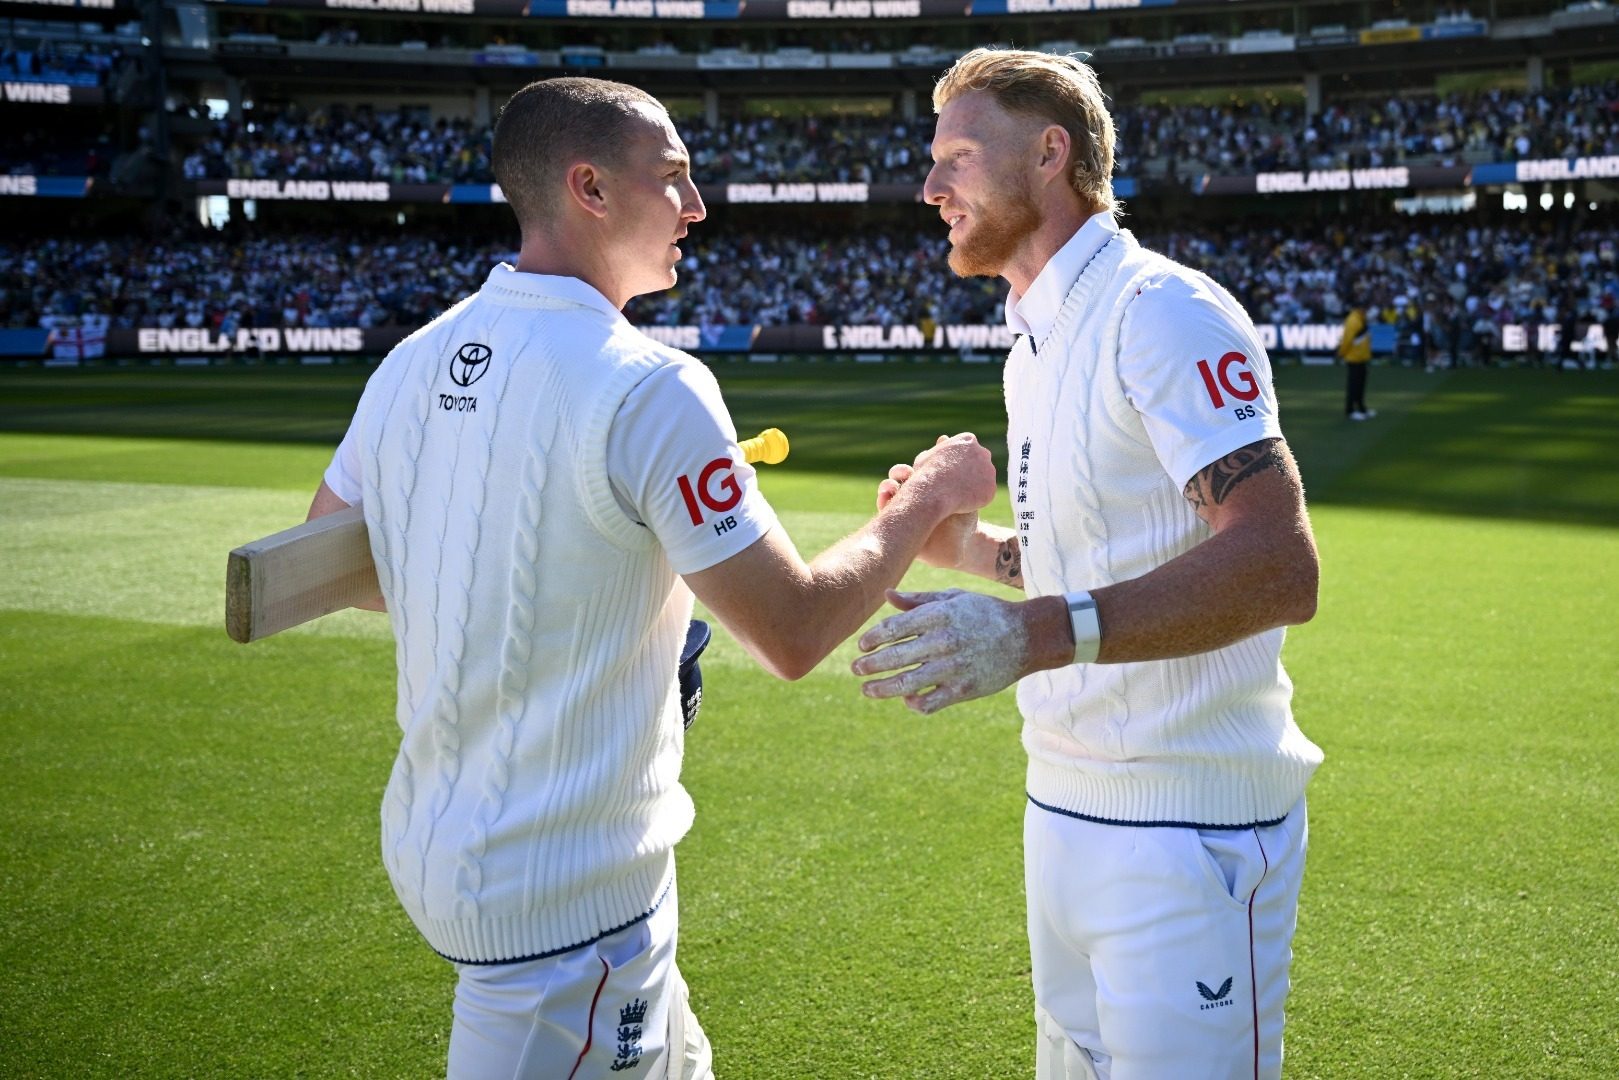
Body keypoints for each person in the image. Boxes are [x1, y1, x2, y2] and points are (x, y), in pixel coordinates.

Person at [305, 76, 996, 1079]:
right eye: (672, 176)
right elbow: (793, 629)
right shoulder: (651, 384)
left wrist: (586, 587)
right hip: (564, 904)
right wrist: (926, 498)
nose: (696, 206)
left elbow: (344, 560)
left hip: (456, 850)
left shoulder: (414, 360)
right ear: (588, 188)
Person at [849, 48, 1323, 1080]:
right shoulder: (1033, 337)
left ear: (1048, 153)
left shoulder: (1160, 310)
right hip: (1061, 807)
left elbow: (1276, 564)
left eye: (957, 157)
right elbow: (1117, 550)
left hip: (1188, 826)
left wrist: (1028, 636)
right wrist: (969, 551)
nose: (928, 189)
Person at [1337, 297, 1374, 419]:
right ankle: (1350, 410)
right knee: (1353, 385)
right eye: (1364, 307)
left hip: (1361, 357)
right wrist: (1341, 354)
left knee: (1360, 385)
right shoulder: (1353, 320)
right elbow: (1347, 340)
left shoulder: (1361, 319)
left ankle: (1361, 408)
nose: (1366, 310)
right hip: (1354, 358)